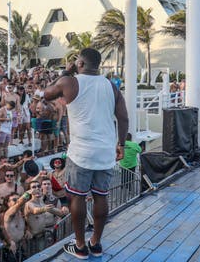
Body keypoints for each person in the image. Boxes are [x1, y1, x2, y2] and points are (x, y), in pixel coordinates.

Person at [43, 48, 129, 259]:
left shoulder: (70, 82)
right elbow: (123, 117)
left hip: (81, 152)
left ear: (80, 63)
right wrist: (121, 144)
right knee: (101, 196)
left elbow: (46, 93)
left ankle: (80, 246)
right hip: (105, 151)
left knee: (76, 197)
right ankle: (96, 243)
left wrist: (65, 71)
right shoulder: (111, 86)